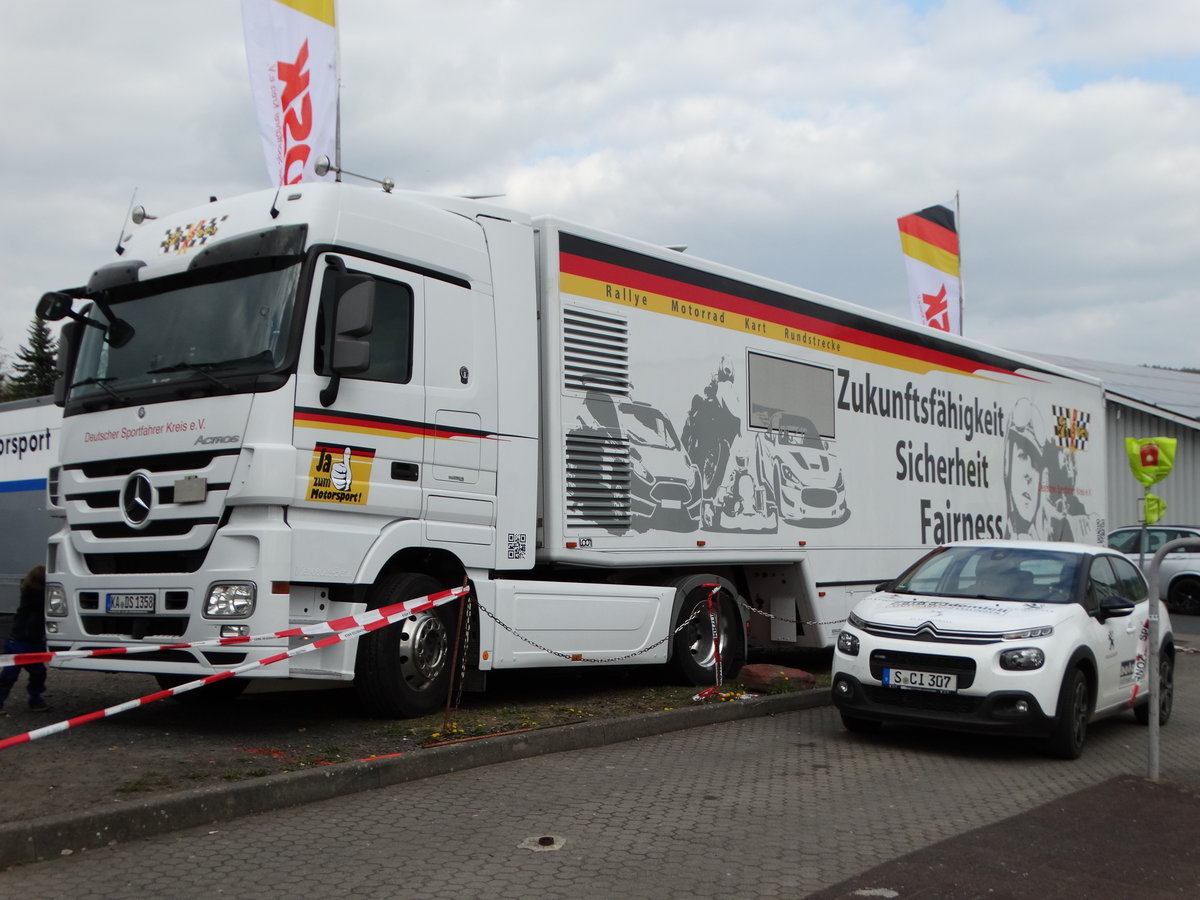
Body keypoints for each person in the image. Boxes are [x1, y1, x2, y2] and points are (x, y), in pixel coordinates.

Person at [0, 565, 51, 714]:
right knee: (12, 674)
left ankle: (35, 700)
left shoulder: (30, 592)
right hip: (21, 641)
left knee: (37, 673)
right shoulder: (34, 594)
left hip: (29, 640)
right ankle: (34, 699)